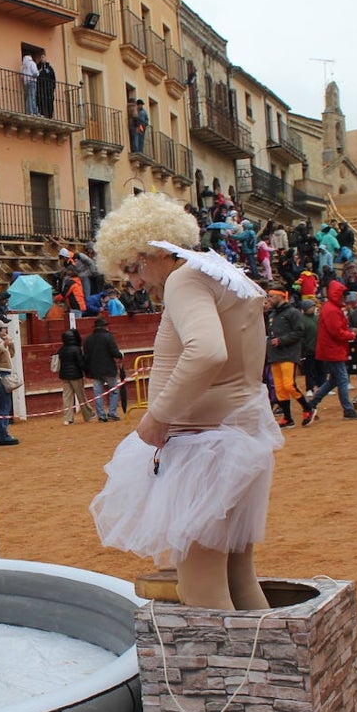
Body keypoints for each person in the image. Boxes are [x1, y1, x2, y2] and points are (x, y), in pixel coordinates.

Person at [90, 193, 280, 610]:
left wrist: (159, 416)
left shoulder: (184, 278)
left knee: (201, 588)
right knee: (238, 577)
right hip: (237, 434)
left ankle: (229, 676)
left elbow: (207, 351)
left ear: (154, 250)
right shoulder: (221, 272)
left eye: (133, 268)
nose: (135, 283)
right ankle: (267, 666)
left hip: (208, 444)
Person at [302, 282, 357, 423]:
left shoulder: (331, 308)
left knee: (334, 380)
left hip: (331, 348)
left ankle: (311, 404)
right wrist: (351, 335)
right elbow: (336, 332)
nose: (345, 298)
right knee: (342, 379)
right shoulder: (332, 310)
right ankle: (347, 410)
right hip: (333, 349)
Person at [266, 288, 312, 427]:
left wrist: (282, 340)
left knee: (289, 385)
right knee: (279, 388)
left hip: (289, 353)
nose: (269, 299)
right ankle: (287, 418)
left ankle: (307, 408)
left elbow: (299, 332)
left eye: (272, 296)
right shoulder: (272, 314)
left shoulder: (293, 312)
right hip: (274, 355)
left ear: (281, 297)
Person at [84, 317, 123, 422]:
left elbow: (86, 356)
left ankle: (101, 415)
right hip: (108, 369)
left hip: (95, 370)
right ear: (105, 327)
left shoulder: (88, 339)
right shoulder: (108, 337)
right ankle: (112, 413)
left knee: (98, 393)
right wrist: (120, 355)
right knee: (114, 391)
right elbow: (114, 353)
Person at [57, 329, 95, 425]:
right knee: (81, 396)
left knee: (66, 397)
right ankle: (88, 414)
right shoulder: (76, 349)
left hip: (64, 376)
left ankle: (67, 418)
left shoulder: (61, 350)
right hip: (76, 376)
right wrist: (87, 370)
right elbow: (80, 363)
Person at [35, 49, 57, 118]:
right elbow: (35, 75)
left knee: (49, 101)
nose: (42, 59)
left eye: (43, 57)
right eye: (41, 57)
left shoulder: (50, 68)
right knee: (40, 100)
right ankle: (41, 113)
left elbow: (53, 78)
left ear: (46, 58)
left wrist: (52, 87)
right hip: (41, 87)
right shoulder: (37, 67)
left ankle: (50, 115)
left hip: (48, 88)